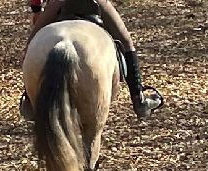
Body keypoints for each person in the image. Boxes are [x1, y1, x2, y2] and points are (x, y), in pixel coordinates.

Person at [25, 0, 164, 117]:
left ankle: (29, 99)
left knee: (32, 42)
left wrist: (36, 8)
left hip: (60, 3)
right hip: (94, 2)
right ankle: (138, 98)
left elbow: (37, 4)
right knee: (126, 42)